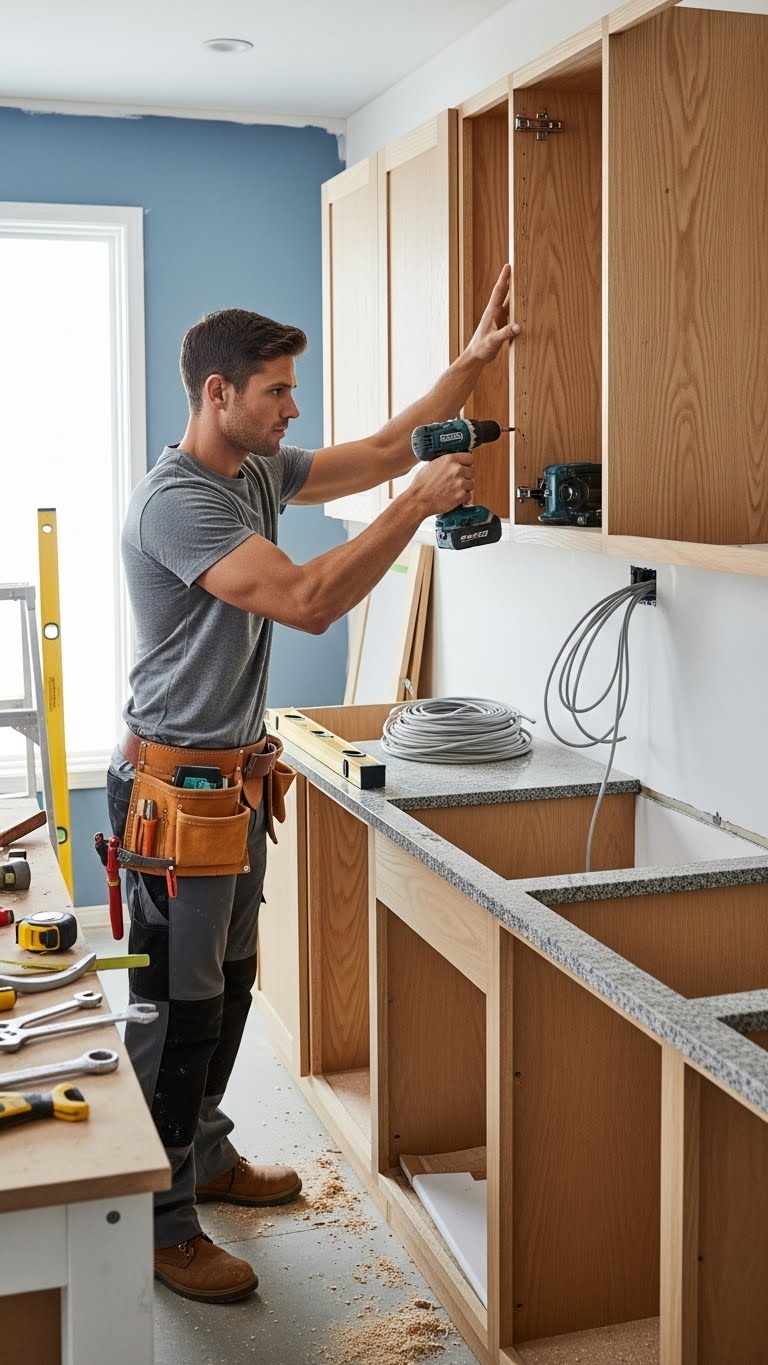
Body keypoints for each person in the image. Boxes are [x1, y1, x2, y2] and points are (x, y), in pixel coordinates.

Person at [106, 263, 520, 1305]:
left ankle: (202, 1152)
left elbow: (381, 451)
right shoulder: (179, 504)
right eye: (277, 391)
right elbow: (304, 601)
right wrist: (417, 507)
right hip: (176, 798)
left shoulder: (254, 473)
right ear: (219, 395)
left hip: (234, 788)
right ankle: (158, 1227)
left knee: (231, 988)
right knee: (175, 1009)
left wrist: (463, 371)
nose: (293, 409)